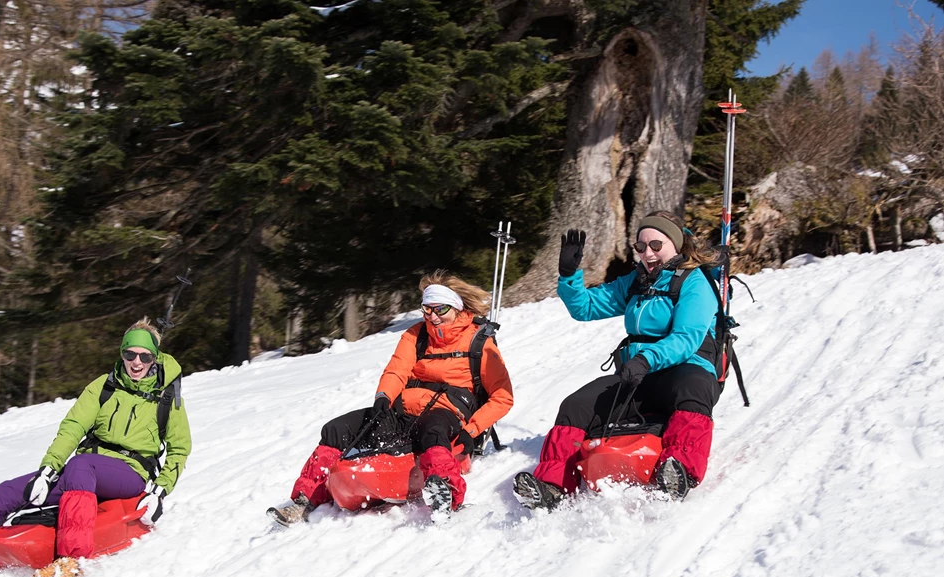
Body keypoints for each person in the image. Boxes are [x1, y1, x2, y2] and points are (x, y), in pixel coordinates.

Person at [0, 319, 191, 577]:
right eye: (130, 354)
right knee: (3, 494)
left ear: (154, 358)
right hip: (83, 474)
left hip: (129, 473)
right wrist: (48, 470)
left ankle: (70, 561)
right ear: (122, 354)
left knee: (80, 465)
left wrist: (160, 491)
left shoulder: (166, 397)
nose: (137, 362)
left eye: (144, 356)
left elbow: (180, 447)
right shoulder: (104, 386)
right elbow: (73, 427)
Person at [514, 211, 721, 507]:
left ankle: (680, 472)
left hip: (682, 370)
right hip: (638, 374)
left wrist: (646, 359)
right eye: (641, 247)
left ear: (675, 245)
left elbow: (686, 338)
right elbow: (585, 308)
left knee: (694, 388)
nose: (647, 254)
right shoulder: (636, 282)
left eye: (656, 245)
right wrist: (569, 275)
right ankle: (553, 485)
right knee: (576, 405)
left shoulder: (694, 282)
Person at [271, 271, 514, 523]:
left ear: (456, 308)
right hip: (405, 411)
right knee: (335, 429)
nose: (433, 316)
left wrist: (472, 431)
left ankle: (446, 493)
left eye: (440, 309)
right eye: (427, 309)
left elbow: (502, 397)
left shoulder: (478, 343)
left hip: (448, 413)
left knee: (432, 431)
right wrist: (384, 397)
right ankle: (305, 500)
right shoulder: (417, 335)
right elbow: (397, 370)